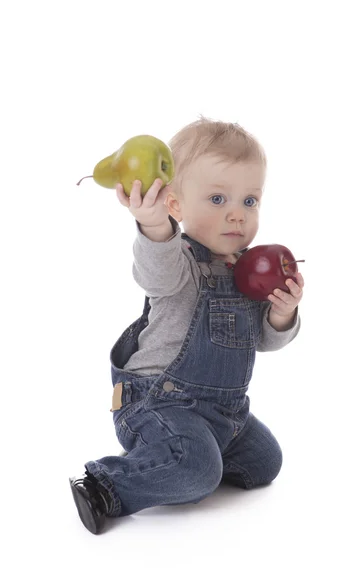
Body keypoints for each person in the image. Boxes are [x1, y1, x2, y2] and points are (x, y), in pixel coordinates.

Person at [69, 116, 305, 534]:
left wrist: (282, 313)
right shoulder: (179, 261)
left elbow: (262, 340)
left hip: (222, 413)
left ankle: (189, 460)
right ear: (175, 205)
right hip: (157, 401)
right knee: (196, 468)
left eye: (249, 201)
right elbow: (155, 271)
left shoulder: (249, 270)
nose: (237, 215)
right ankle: (107, 483)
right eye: (218, 200)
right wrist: (154, 224)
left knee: (266, 462)